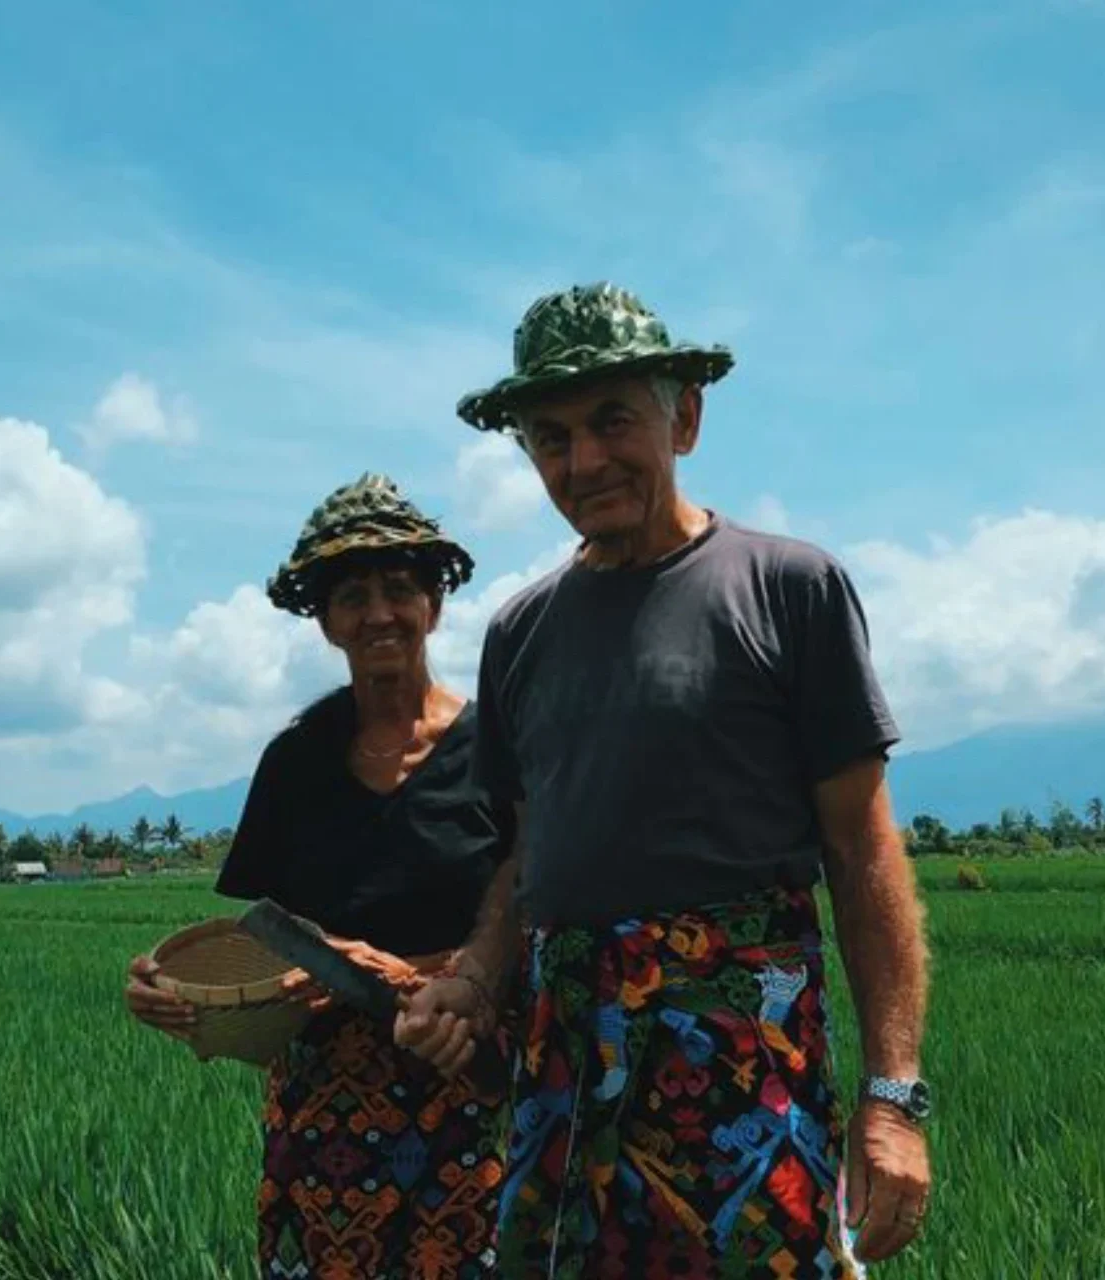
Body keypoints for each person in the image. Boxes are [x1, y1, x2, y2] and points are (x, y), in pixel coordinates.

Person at [394, 283, 933, 1278]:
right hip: (565, 1066)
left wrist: (893, 1095)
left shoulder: (787, 587)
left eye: (612, 420)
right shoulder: (520, 631)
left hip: (739, 1058)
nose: (584, 459)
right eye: (551, 436)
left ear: (684, 415)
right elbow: (525, 855)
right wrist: (472, 975)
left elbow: (863, 855)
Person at [125, 473, 517, 1279]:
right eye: (352, 596)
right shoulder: (294, 764)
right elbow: (263, 945)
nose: (379, 613)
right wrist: (182, 999)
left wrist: (419, 976)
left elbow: (539, 920)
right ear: (325, 621)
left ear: (434, 607)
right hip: (324, 1120)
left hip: (471, 1088)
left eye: (400, 589)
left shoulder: (499, 754)